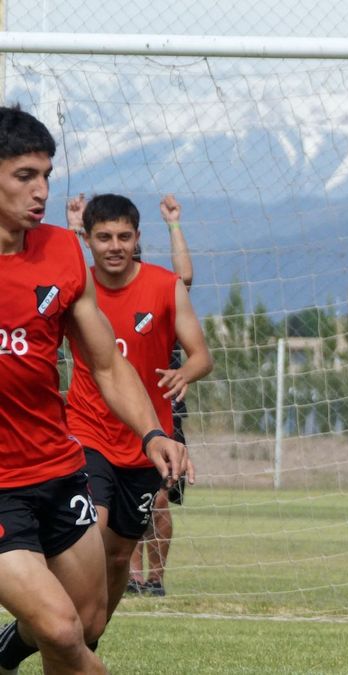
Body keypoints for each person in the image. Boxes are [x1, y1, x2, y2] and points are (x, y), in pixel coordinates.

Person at [0, 105, 191, 674]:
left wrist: (153, 432)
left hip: (57, 470)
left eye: (46, 175)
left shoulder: (62, 251)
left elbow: (106, 363)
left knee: (86, 623)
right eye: (24, 176)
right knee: (59, 628)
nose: (41, 190)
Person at [57, 191, 211, 625]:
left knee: (119, 555)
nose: (115, 246)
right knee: (89, 533)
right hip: (88, 433)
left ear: (137, 237)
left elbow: (201, 355)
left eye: (123, 237)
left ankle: (89, 634)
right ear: (88, 239)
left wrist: (185, 373)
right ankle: (57, 624)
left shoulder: (164, 286)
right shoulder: (76, 290)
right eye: (104, 237)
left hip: (148, 440)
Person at [127, 194, 194, 597]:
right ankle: (131, 577)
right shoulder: (95, 296)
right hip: (116, 412)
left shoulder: (160, 291)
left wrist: (173, 224)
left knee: (159, 499)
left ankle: (155, 577)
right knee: (125, 499)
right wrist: (76, 228)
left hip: (164, 411)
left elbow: (184, 277)